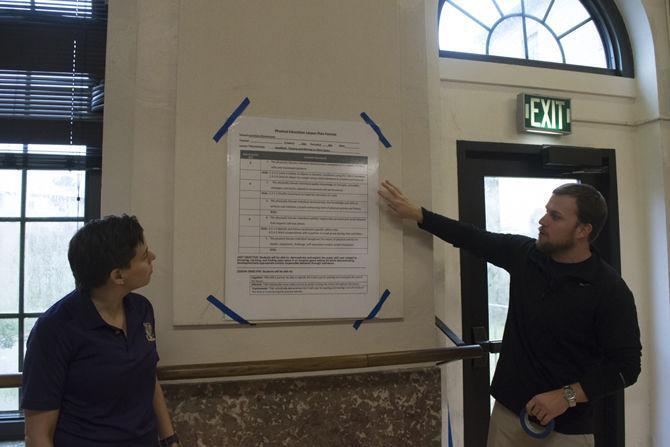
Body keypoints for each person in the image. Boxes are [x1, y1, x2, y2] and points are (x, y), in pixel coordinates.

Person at [378, 180, 641, 447]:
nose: (542, 220)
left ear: (583, 230)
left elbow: (626, 367)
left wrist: (566, 396)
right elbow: (471, 237)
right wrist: (418, 214)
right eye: (546, 211)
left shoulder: (609, 289)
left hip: (566, 429)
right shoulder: (526, 256)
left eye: (555, 216)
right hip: (507, 417)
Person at [21, 215, 180, 447]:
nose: (153, 257)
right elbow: (37, 434)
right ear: (117, 275)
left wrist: (169, 439)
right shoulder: (55, 329)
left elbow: (148, 377)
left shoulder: (141, 309)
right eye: (145, 256)